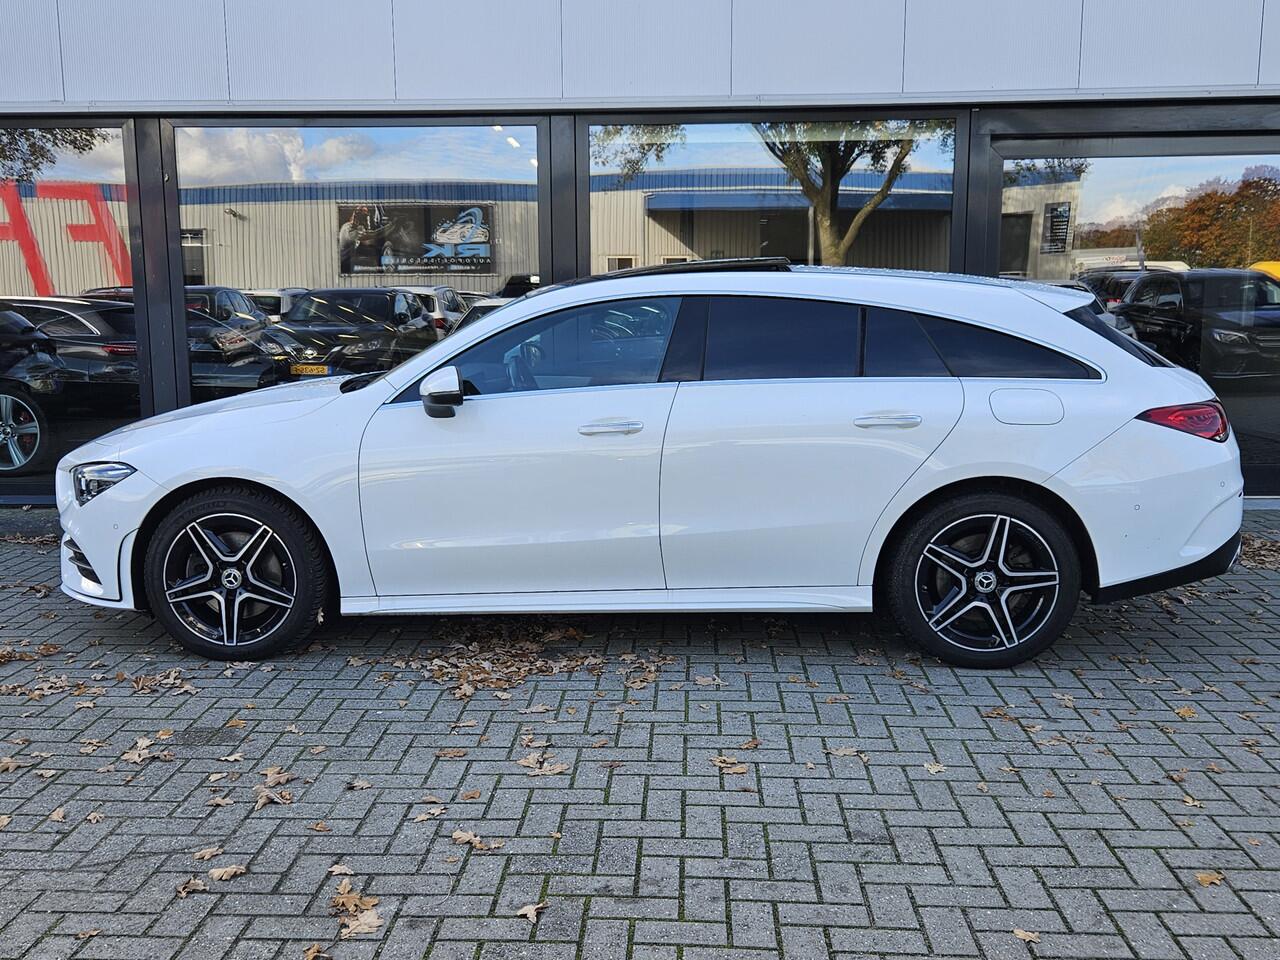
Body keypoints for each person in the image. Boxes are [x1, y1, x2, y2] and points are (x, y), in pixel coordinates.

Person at [338, 206, 369, 274]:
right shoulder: (348, 229)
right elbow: (367, 241)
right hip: (344, 263)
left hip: (348, 261)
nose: (367, 220)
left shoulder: (355, 228)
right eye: (365, 217)